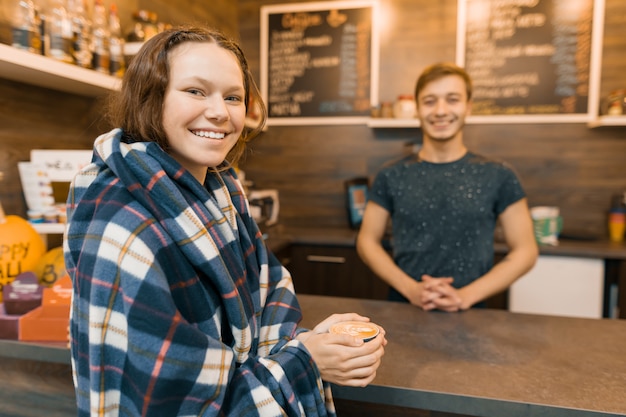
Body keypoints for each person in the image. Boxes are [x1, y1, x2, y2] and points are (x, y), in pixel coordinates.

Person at [64, 26, 386, 417]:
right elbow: (170, 403)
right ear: (151, 98)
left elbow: (268, 289)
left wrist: (312, 345)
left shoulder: (222, 194)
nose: (220, 112)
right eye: (196, 91)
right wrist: (306, 361)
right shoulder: (125, 228)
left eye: (232, 96)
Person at [356, 62, 538, 312]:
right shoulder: (391, 175)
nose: (441, 111)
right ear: (418, 109)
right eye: (430, 101)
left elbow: (526, 250)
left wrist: (465, 296)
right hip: (405, 309)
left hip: (474, 313)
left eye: (452, 99)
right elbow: (367, 241)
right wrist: (411, 289)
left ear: (468, 107)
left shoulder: (499, 175)